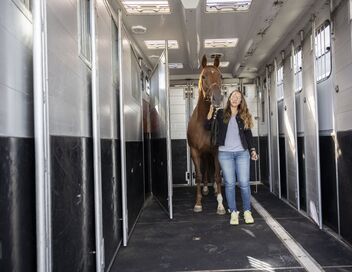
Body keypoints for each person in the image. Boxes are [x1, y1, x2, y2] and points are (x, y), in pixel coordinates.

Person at [206, 90, 258, 225]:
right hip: (225, 154)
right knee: (229, 184)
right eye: (233, 96)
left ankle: (247, 211)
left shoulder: (243, 115)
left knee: (244, 183)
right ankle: (233, 212)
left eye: (238, 97)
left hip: (242, 153)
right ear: (229, 99)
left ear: (241, 101)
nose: (235, 98)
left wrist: (252, 150)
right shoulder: (221, 113)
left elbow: (248, 134)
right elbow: (208, 127)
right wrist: (211, 112)